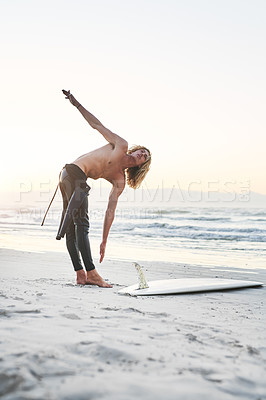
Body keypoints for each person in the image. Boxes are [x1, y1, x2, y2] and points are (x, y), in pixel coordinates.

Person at [55, 90, 151, 287]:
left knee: (73, 230)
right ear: (135, 149)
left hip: (70, 178)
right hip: (71, 173)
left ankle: (81, 275)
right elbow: (96, 125)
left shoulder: (119, 180)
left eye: (146, 157)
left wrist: (104, 241)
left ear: (141, 166)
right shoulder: (120, 145)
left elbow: (110, 211)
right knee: (82, 224)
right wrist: (77, 104)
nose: (143, 154)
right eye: (142, 150)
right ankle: (92, 273)